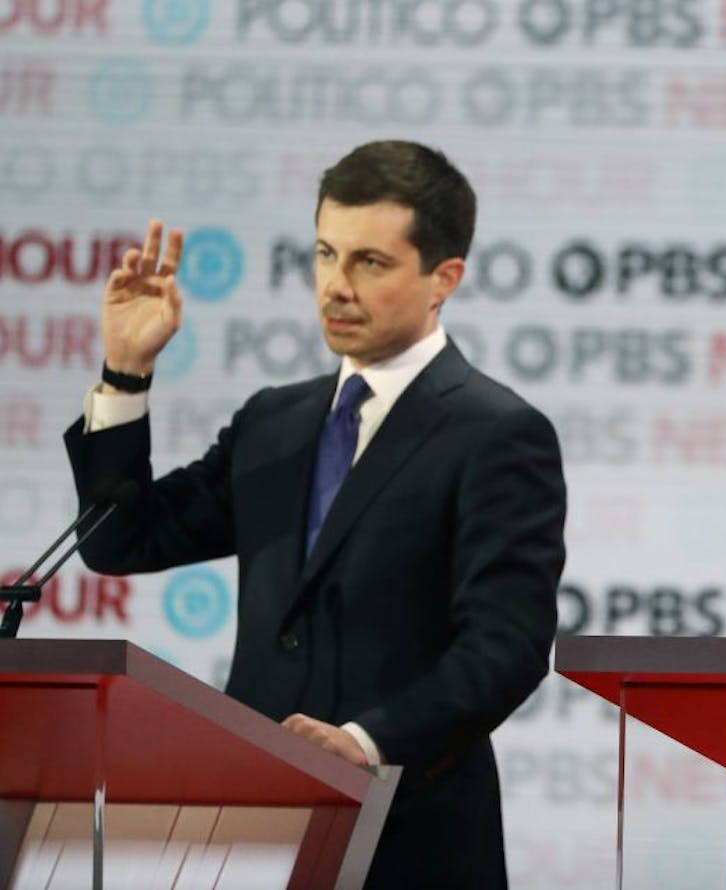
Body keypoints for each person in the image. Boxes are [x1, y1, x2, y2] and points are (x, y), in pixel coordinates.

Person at [63, 140, 566, 888]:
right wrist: (125, 372)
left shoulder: (496, 434)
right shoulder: (275, 422)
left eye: (370, 262)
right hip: (253, 835)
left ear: (443, 279)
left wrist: (367, 742)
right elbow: (119, 541)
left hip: (409, 838)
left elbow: (507, 645)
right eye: (326, 254)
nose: (336, 285)